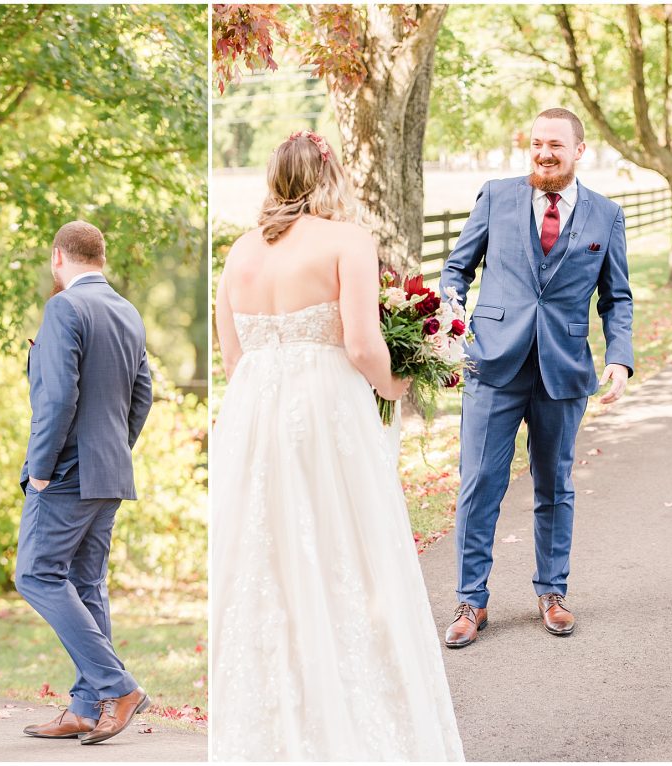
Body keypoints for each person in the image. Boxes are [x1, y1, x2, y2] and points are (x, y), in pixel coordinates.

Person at [211, 131, 464, 761]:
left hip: (253, 418)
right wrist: (399, 382)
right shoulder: (348, 240)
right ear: (331, 175)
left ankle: (278, 714)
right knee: (346, 547)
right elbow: (360, 345)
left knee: (267, 559)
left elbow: (233, 358)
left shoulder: (239, 254)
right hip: (325, 413)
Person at [440, 108, 633, 648]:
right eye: (536, 143)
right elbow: (456, 269)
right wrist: (451, 328)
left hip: (564, 369)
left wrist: (619, 356)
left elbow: (616, 297)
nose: (544, 153)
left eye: (556, 145)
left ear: (579, 151)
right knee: (480, 485)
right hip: (493, 364)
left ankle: (552, 592)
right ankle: (470, 601)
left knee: (555, 486)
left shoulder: (605, 215)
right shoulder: (496, 196)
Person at [16, 220, 154, 745]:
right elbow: (143, 394)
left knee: (36, 575)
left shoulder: (64, 308)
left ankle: (118, 687)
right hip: (109, 471)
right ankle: (85, 703)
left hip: (66, 474)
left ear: (58, 257)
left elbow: (57, 398)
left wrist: (43, 468)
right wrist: (114, 449)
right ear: (100, 256)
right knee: (87, 583)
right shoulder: (127, 311)